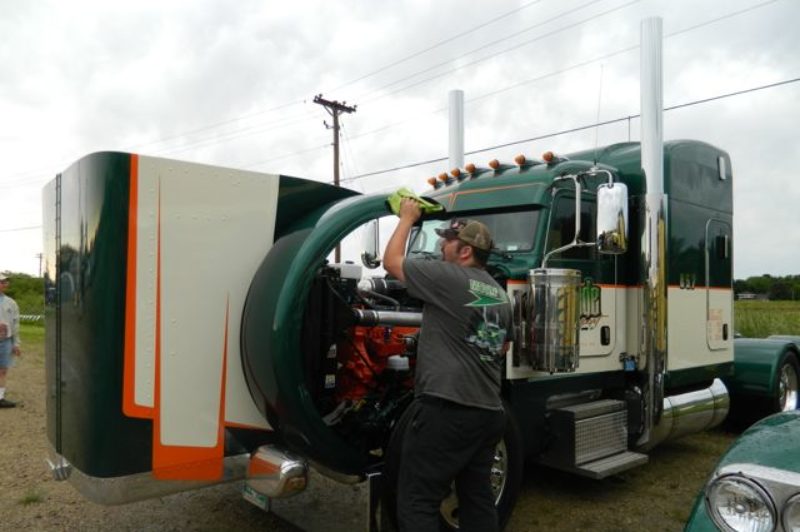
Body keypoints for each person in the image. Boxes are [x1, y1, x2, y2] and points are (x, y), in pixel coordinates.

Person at [383, 198, 513, 532]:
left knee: (417, 501)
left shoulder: (450, 277)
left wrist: (408, 218)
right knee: (477, 498)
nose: (441, 245)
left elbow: (392, 261)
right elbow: (503, 347)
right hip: (488, 411)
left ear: (465, 251)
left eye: (447, 241)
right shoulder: (500, 294)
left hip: (448, 410)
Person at [0, 273, 21, 408]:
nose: (4, 284)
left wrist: (16, 343)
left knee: (2, 370)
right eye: (2, 281)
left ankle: (0, 397)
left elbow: (16, 324)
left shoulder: (11, 303)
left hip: (5, 341)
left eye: (5, 282)